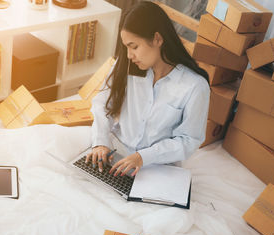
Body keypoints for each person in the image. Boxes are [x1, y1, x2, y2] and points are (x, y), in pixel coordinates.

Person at [85, 1, 210, 177]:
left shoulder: (194, 86)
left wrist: (142, 157)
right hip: (116, 151)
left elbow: (189, 140)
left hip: (157, 165)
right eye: (126, 47)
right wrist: (100, 142)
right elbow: (102, 103)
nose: (129, 55)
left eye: (134, 46)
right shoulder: (128, 66)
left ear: (157, 39)